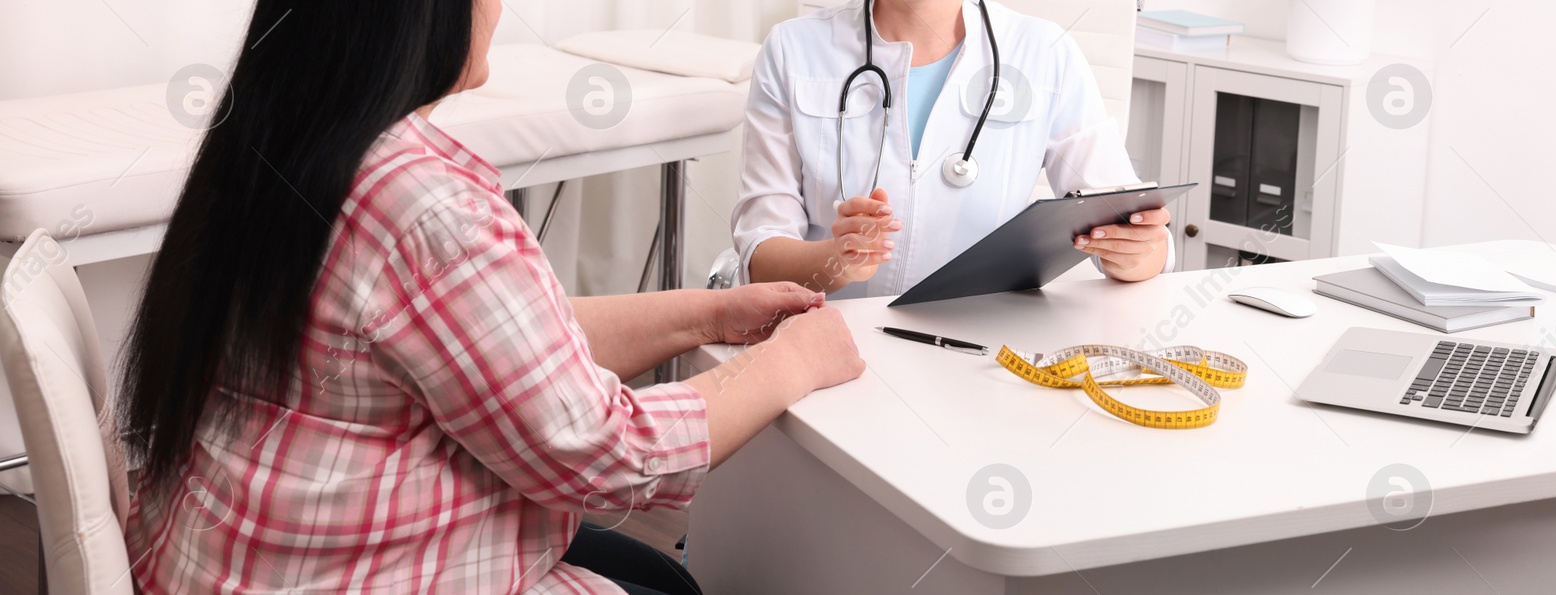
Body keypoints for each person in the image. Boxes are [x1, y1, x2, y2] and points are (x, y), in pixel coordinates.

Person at [114, 0, 863, 593]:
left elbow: (505, 346)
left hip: (217, 553)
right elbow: (608, 451)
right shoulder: (425, 209)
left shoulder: (284, 136)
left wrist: (706, 312)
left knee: (659, 573)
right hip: (339, 571)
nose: (499, 9)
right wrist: (791, 362)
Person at [732, 0, 1174, 298]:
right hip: (827, 340)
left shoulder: (1045, 53)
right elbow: (760, 255)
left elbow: (1129, 223)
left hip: (976, 352)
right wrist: (835, 260)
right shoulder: (793, 50)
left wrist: (1140, 253)